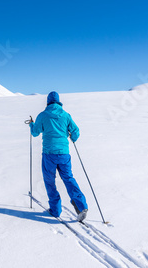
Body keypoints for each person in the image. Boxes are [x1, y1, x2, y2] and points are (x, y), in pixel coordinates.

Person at [29, 91, 88, 221]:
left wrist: (32, 124)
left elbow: (35, 132)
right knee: (68, 178)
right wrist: (73, 137)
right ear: (58, 101)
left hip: (49, 154)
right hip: (64, 154)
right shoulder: (66, 115)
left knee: (49, 181)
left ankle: (55, 210)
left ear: (48, 102)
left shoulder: (43, 115)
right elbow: (75, 131)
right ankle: (81, 205)